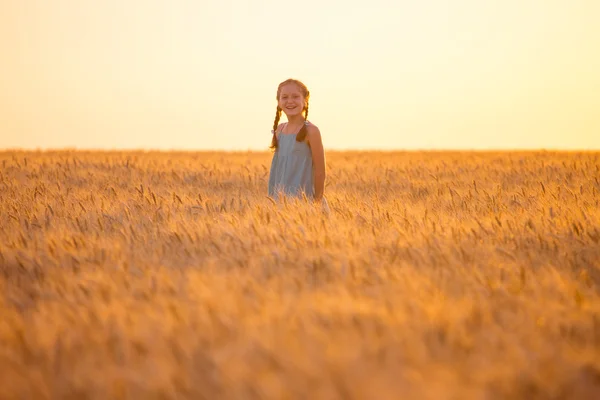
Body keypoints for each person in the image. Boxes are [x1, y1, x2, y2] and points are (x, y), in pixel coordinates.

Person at [267, 78, 327, 208]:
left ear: (305, 101)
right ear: (278, 102)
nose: (290, 101)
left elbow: (320, 172)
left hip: (305, 203)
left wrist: (317, 203)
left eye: (295, 96)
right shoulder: (279, 130)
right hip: (280, 203)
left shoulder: (311, 131)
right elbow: (277, 171)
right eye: (284, 97)